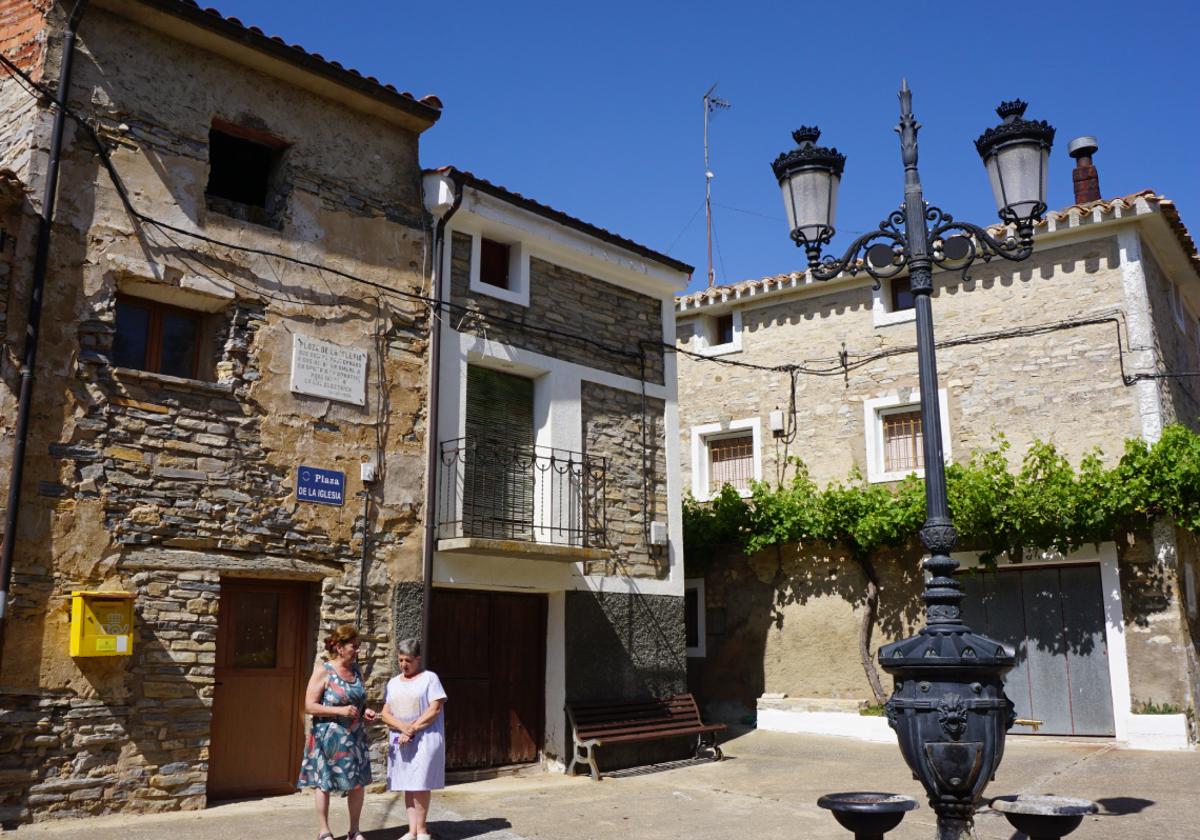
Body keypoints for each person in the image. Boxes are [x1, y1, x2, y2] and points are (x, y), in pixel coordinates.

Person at [298, 624, 377, 840]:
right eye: (354, 646)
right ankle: (324, 831)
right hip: (329, 739)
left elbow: (359, 702)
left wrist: (365, 711)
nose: (358, 650)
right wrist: (338, 710)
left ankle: (354, 830)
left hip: (355, 736)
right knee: (324, 783)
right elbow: (309, 706)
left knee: (358, 784)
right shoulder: (324, 670)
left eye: (359, 646)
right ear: (340, 647)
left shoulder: (356, 670)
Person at [381, 638, 447, 840]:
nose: (403, 664)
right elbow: (385, 713)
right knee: (407, 784)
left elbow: (435, 708)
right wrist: (403, 728)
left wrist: (412, 729)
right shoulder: (393, 683)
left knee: (420, 783)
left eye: (408, 660)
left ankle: (422, 829)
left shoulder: (430, 678)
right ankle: (411, 830)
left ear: (418, 659)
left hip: (424, 737)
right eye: (400, 660)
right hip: (400, 739)